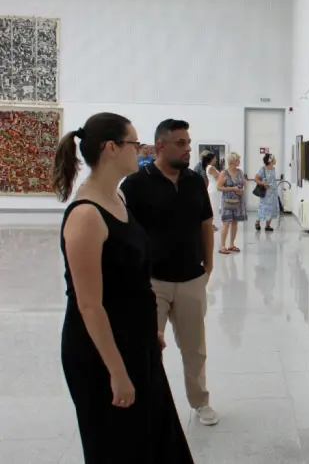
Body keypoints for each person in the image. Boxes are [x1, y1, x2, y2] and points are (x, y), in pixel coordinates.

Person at [53, 112, 194, 462]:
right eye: (134, 143)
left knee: (154, 437)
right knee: (118, 447)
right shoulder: (86, 215)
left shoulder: (116, 199)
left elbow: (129, 278)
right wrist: (117, 372)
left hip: (135, 342)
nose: (141, 149)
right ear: (111, 148)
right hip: (101, 353)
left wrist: (148, 332)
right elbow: (89, 305)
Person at [120, 118, 219, 426]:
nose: (188, 148)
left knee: (195, 350)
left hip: (191, 279)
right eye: (181, 143)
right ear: (160, 145)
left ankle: (200, 401)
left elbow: (206, 223)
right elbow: (124, 232)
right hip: (152, 283)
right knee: (148, 349)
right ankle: (148, 406)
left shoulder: (194, 181)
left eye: (188, 142)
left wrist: (208, 265)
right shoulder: (135, 184)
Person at [217, 152, 247, 254]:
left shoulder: (240, 172)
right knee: (226, 223)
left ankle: (231, 244)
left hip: (238, 200)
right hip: (227, 201)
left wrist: (242, 190)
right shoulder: (224, 173)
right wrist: (232, 188)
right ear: (233, 161)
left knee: (235, 222)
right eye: (237, 160)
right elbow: (218, 187)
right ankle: (222, 246)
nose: (239, 161)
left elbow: (244, 183)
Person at [254, 153, 280, 232]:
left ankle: (267, 225)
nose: (275, 160)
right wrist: (263, 183)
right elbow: (256, 179)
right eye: (274, 159)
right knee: (263, 208)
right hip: (266, 193)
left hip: (273, 193)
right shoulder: (262, 169)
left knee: (272, 209)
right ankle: (257, 222)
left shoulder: (273, 169)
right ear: (270, 160)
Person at [203, 152, 220, 232]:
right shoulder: (210, 168)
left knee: (214, 207)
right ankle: (211, 225)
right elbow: (218, 176)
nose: (216, 159)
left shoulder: (211, 167)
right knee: (213, 207)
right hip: (213, 190)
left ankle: (212, 224)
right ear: (211, 159)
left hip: (214, 189)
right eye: (215, 158)